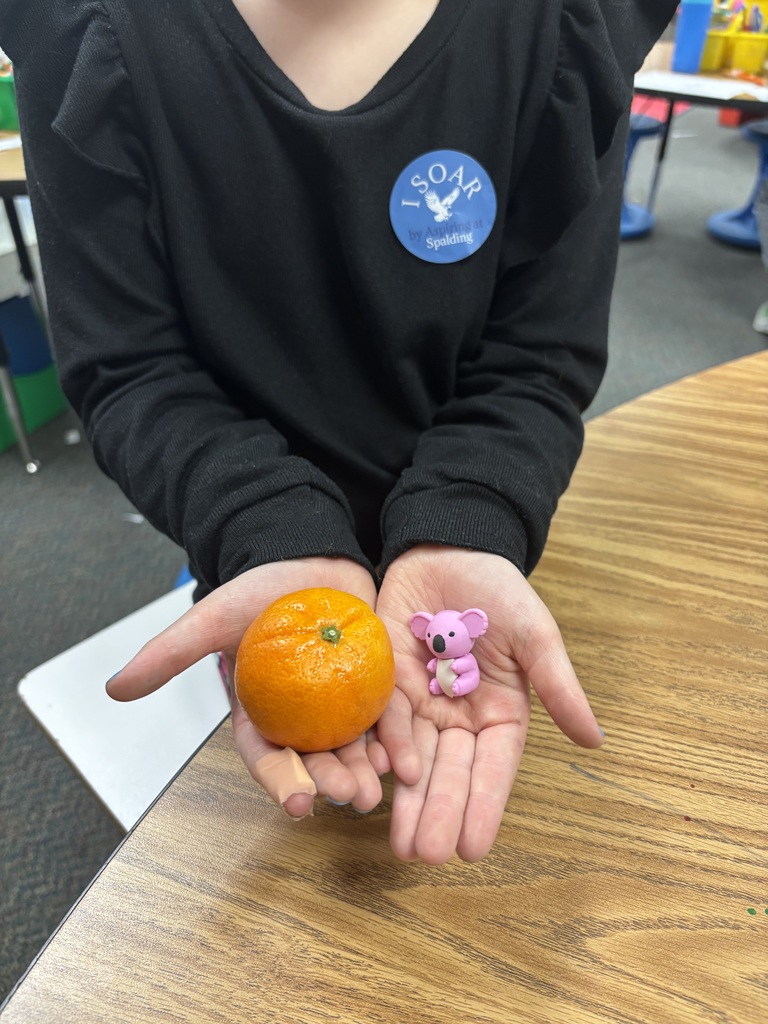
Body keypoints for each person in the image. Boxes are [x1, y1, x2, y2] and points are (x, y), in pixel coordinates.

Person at [3, 0, 676, 865]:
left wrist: (467, 518)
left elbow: (539, 359)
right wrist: (266, 531)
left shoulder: (563, 27)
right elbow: (129, 368)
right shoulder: (90, 31)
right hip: (245, 541)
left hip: (472, 557)